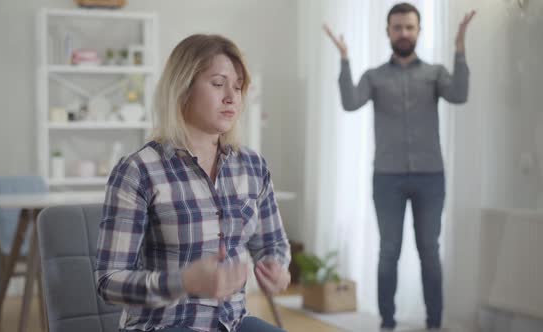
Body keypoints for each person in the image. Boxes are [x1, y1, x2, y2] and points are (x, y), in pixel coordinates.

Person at [95, 34, 291, 332]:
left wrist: (277, 269)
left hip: (232, 323)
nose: (231, 96)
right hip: (162, 325)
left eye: (238, 87)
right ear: (183, 88)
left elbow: (272, 244)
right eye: (217, 84)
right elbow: (109, 281)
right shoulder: (139, 170)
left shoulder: (253, 166)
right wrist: (183, 282)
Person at [323, 3, 475, 330]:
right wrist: (345, 59)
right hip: (387, 179)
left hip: (430, 177)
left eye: (409, 27)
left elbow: (460, 94)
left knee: (429, 252)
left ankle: (434, 323)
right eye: (397, 27)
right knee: (388, 251)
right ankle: (387, 322)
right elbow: (350, 102)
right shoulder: (374, 76)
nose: (403, 33)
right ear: (388, 32)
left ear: (418, 31)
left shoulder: (435, 73)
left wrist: (460, 50)